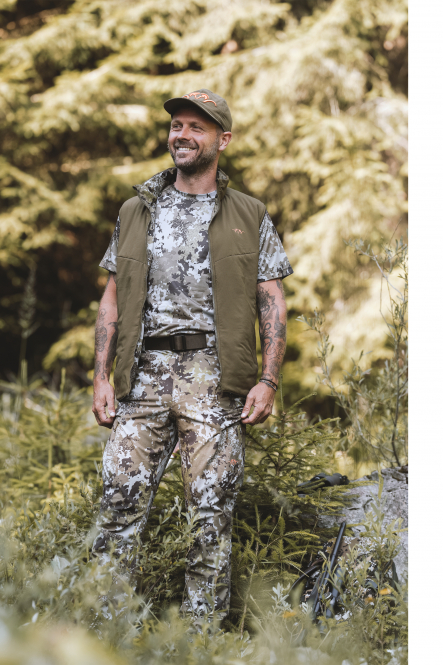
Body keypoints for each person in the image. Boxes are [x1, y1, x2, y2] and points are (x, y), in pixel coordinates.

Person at [91, 88, 293, 620]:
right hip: (142, 379)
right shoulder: (136, 209)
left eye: (195, 127)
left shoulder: (248, 213)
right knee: (118, 507)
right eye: (176, 125)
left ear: (222, 140)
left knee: (210, 518)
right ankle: (105, 634)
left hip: (215, 380)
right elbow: (112, 297)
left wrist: (268, 380)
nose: (181, 135)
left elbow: (271, 300)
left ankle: (200, 641)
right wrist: (101, 376)